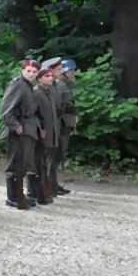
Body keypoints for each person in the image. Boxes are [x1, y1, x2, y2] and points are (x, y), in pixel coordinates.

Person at [0, 59, 43, 210]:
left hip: (28, 129)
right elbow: (6, 109)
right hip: (19, 129)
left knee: (24, 163)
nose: (31, 74)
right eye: (28, 71)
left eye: (34, 71)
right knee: (14, 163)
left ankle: (19, 194)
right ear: (23, 70)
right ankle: (12, 197)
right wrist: (15, 125)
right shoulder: (17, 84)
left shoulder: (28, 86)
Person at [33, 58, 61, 206]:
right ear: (39, 78)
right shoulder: (37, 93)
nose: (50, 78)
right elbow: (33, 113)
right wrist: (40, 128)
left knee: (48, 163)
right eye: (47, 76)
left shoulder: (49, 92)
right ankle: (40, 194)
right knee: (41, 165)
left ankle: (47, 192)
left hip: (52, 132)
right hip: (42, 133)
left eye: (51, 76)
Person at [54, 58, 78, 194]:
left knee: (59, 154)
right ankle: (51, 184)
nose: (73, 72)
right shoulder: (60, 85)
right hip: (61, 123)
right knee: (57, 154)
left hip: (66, 122)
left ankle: (53, 183)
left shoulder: (64, 84)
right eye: (70, 70)